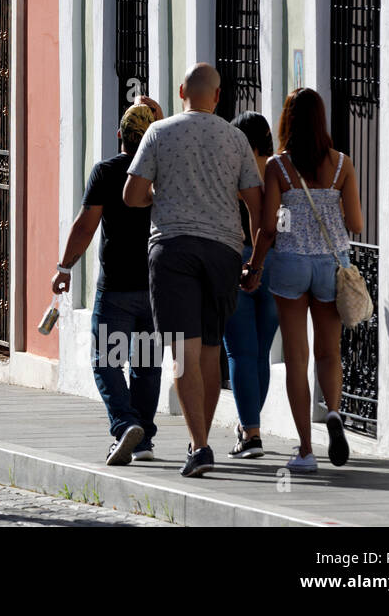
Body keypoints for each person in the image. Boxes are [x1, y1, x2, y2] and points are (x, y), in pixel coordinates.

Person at [123, 63, 263, 477]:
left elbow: (131, 196)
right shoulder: (236, 138)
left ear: (182, 90)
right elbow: (256, 206)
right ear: (217, 97)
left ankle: (200, 446)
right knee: (210, 350)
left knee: (182, 353)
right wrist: (255, 262)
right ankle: (197, 441)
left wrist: (158, 193)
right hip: (223, 251)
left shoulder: (159, 132)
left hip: (173, 248)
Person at [243, 88, 363, 473]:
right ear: (322, 121)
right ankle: (334, 412)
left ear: (287, 123)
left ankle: (307, 451)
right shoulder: (343, 165)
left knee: (296, 359)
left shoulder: (278, 167)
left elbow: (268, 227)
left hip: (291, 264)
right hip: (331, 264)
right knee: (329, 352)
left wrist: (255, 266)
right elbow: (356, 224)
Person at [53, 98, 163, 466]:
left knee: (106, 362)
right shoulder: (161, 171)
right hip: (154, 287)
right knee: (146, 365)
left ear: (119, 135)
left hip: (116, 288)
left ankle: (124, 423)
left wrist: (64, 267)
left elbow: (86, 226)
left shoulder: (106, 171)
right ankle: (144, 438)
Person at [222, 112, 280, 459]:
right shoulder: (277, 171)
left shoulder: (234, 172)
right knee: (260, 353)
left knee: (239, 352)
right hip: (275, 262)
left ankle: (251, 432)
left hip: (239, 259)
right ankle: (249, 426)